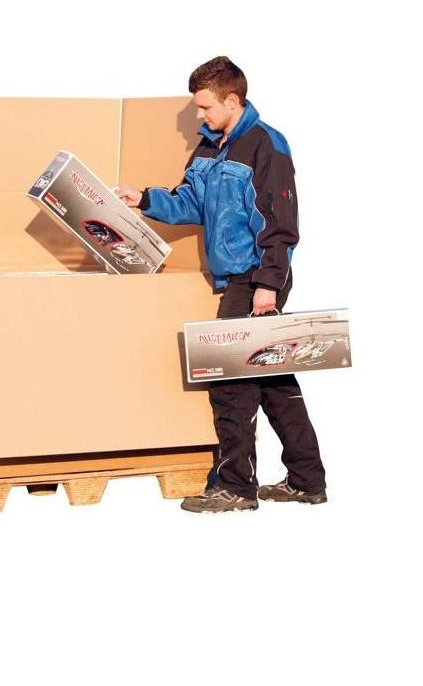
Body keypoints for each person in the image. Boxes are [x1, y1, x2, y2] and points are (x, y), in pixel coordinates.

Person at [116, 56, 327, 513]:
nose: (199, 115)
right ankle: (307, 480)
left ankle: (235, 488)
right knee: (272, 380)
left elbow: (281, 222)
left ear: (232, 100)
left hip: (256, 278)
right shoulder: (210, 147)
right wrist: (145, 199)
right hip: (236, 278)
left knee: (229, 383)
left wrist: (268, 284)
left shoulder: (267, 145)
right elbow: (190, 203)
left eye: (206, 106)